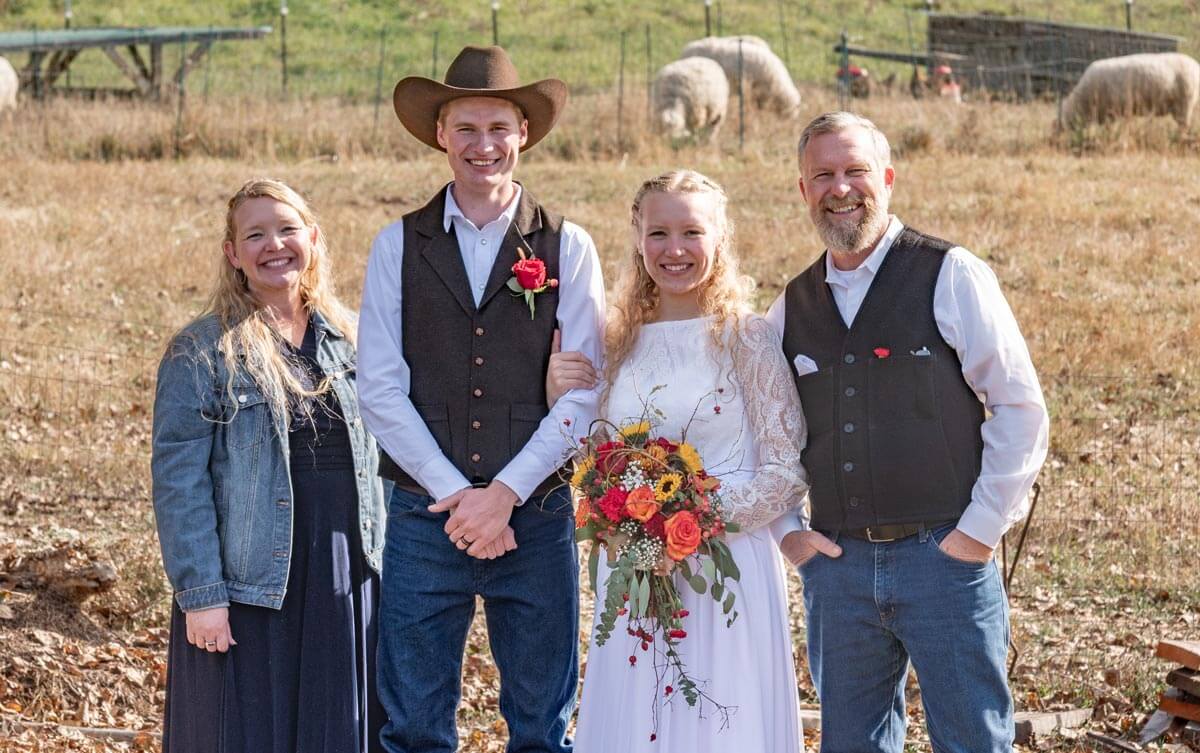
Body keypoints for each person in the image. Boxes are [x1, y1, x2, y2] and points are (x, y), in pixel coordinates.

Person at [765, 111, 1049, 753]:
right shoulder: (790, 305)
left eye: (856, 171)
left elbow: (1020, 407)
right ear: (802, 190)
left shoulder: (951, 273)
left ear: (887, 178)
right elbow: (768, 433)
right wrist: (791, 538)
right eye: (824, 175)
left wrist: (977, 535)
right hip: (838, 571)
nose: (841, 188)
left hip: (944, 558)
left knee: (972, 740)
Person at [357, 46, 605, 753]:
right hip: (421, 513)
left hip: (536, 513)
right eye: (466, 127)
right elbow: (378, 385)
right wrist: (455, 495)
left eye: (498, 127)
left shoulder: (567, 245)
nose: (483, 145)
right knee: (412, 726)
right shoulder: (397, 244)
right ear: (440, 134)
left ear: (523, 132)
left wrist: (505, 492)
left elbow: (583, 393)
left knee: (539, 728)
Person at [548, 170, 809, 751]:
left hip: (727, 568)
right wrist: (554, 392)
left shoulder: (746, 337)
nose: (674, 249)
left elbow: (785, 472)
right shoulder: (615, 340)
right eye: (659, 232)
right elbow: (596, 452)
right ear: (638, 238)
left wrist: (686, 520)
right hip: (636, 570)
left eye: (692, 231)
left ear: (719, 238)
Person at [151, 179, 387, 753]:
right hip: (250, 581)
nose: (273, 245)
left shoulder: (356, 339)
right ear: (233, 253)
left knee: (338, 730)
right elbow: (179, 483)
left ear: (312, 238)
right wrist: (202, 595)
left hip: (344, 569)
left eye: (286, 229)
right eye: (254, 234)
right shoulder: (201, 350)